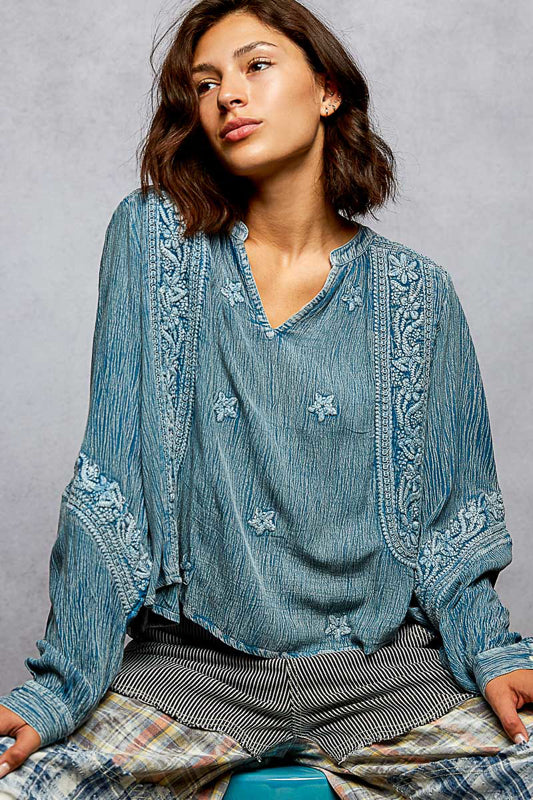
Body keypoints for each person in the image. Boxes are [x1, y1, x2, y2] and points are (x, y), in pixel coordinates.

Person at [1, 0, 533, 797]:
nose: (227, 95)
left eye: (255, 66)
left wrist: (494, 655)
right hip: (188, 676)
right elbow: (112, 483)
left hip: (386, 680)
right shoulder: (155, 242)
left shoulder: (419, 292)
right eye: (204, 82)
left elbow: (453, 530)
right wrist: (60, 686)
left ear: (326, 91)